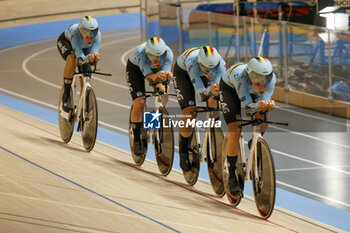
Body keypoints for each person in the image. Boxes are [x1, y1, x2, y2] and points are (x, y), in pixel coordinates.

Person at [219, 56, 276, 197]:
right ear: (250, 76)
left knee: (264, 114)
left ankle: (256, 141)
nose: (262, 85)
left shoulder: (272, 79)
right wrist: (259, 105)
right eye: (258, 82)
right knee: (235, 131)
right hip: (230, 90)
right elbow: (249, 108)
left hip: (251, 94)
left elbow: (262, 104)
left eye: (265, 81)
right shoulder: (241, 77)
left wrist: (266, 106)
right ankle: (231, 175)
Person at [173, 46, 226, 172]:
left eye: (213, 68)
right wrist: (209, 90)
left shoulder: (221, 65)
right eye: (207, 69)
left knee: (215, 101)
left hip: (202, 75)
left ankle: (214, 130)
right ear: (200, 63)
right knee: (190, 112)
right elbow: (201, 93)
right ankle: (183, 152)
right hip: (184, 75)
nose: (210, 72)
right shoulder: (193, 62)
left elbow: (217, 88)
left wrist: (215, 94)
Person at [126, 37, 174, 156]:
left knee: (164, 91)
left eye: (160, 56)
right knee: (140, 102)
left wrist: (167, 76)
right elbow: (150, 78)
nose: (157, 60)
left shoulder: (169, 54)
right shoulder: (140, 53)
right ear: (148, 54)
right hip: (136, 69)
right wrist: (156, 78)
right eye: (153, 57)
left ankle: (154, 117)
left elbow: (164, 77)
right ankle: (136, 139)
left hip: (156, 70)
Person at [57, 16, 101, 112]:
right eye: (87, 33)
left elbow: (93, 53)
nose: (90, 37)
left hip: (84, 48)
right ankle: (66, 95)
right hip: (67, 42)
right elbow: (79, 55)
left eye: (93, 33)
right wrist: (87, 59)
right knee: (73, 60)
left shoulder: (98, 36)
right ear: (80, 31)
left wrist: (94, 58)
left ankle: (84, 99)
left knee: (87, 70)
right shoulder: (74, 32)